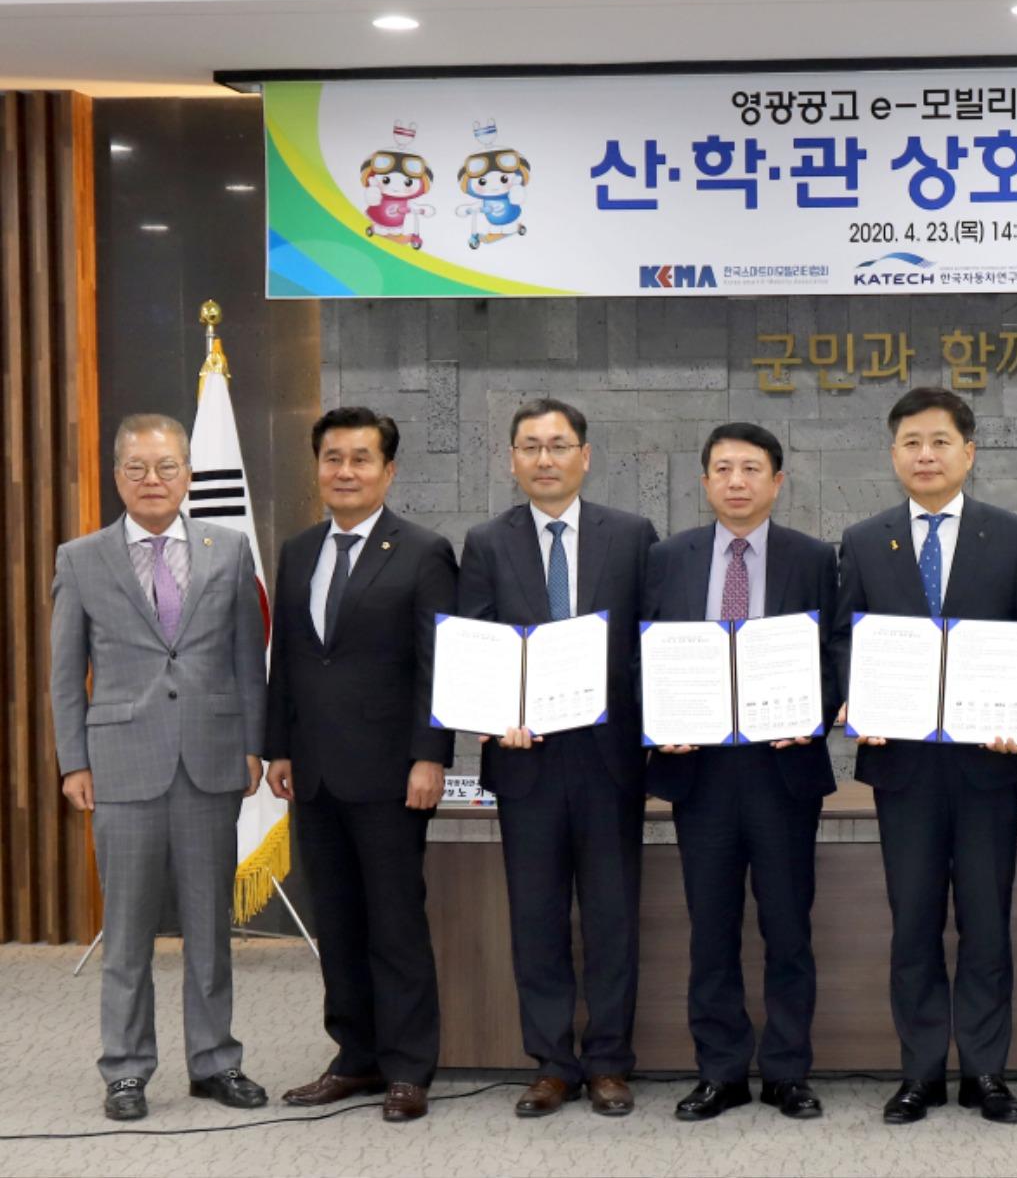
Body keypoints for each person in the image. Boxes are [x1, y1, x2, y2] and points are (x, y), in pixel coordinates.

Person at [827, 386, 1017, 1125]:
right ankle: (920, 1072)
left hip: (988, 764)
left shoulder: (1013, 536)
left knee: (986, 922)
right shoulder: (865, 540)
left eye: (940, 441)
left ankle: (986, 1071)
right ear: (894, 455)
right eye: (912, 443)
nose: (926, 455)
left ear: (969, 452)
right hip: (904, 767)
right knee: (914, 922)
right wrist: (853, 698)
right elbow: (844, 639)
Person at [51, 414, 269, 1122]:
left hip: (211, 761)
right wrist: (73, 761)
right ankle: (125, 1069)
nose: (153, 479)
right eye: (138, 468)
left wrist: (254, 744)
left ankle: (215, 1061)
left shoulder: (228, 549)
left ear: (189, 475)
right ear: (117, 476)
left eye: (167, 466)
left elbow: (247, 659)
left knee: (210, 930)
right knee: (128, 932)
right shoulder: (80, 559)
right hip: (121, 766)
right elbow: (64, 675)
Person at [457, 397, 658, 1119]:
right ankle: (551, 1064)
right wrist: (493, 715)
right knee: (536, 918)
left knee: (611, 919)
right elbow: (476, 644)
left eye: (559, 445)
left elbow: (650, 646)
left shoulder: (631, 536)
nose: (545, 459)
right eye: (531, 447)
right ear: (512, 460)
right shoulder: (486, 542)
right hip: (527, 763)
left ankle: (608, 1062)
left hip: (609, 761)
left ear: (585, 456)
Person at [264, 408, 455, 1124]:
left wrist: (430, 755)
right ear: (318, 467)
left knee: (395, 924)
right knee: (338, 924)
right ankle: (355, 1056)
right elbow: (288, 659)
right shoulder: (298, 550)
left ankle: (408, 1067)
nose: (345, 471)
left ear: (388, 470)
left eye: (361, 459)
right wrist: (279, 746)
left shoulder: (424, 551)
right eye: (333, 458)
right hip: (313, 772)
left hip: (391, 774)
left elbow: (437, 665)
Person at [643, 423, 838, 1123]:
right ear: (704, 482)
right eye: (722, 468)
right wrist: (660, 719)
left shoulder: (814, 557)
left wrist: (815, 712)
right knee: (712, 929)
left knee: (788, 929)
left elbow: (836, 652)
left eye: (751, 468)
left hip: (783, 770)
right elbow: (643, 652)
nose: (736, 481)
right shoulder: (668, 558)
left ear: (777, 482)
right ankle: (720, 1071)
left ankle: (788, 1072)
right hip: (700, 773)